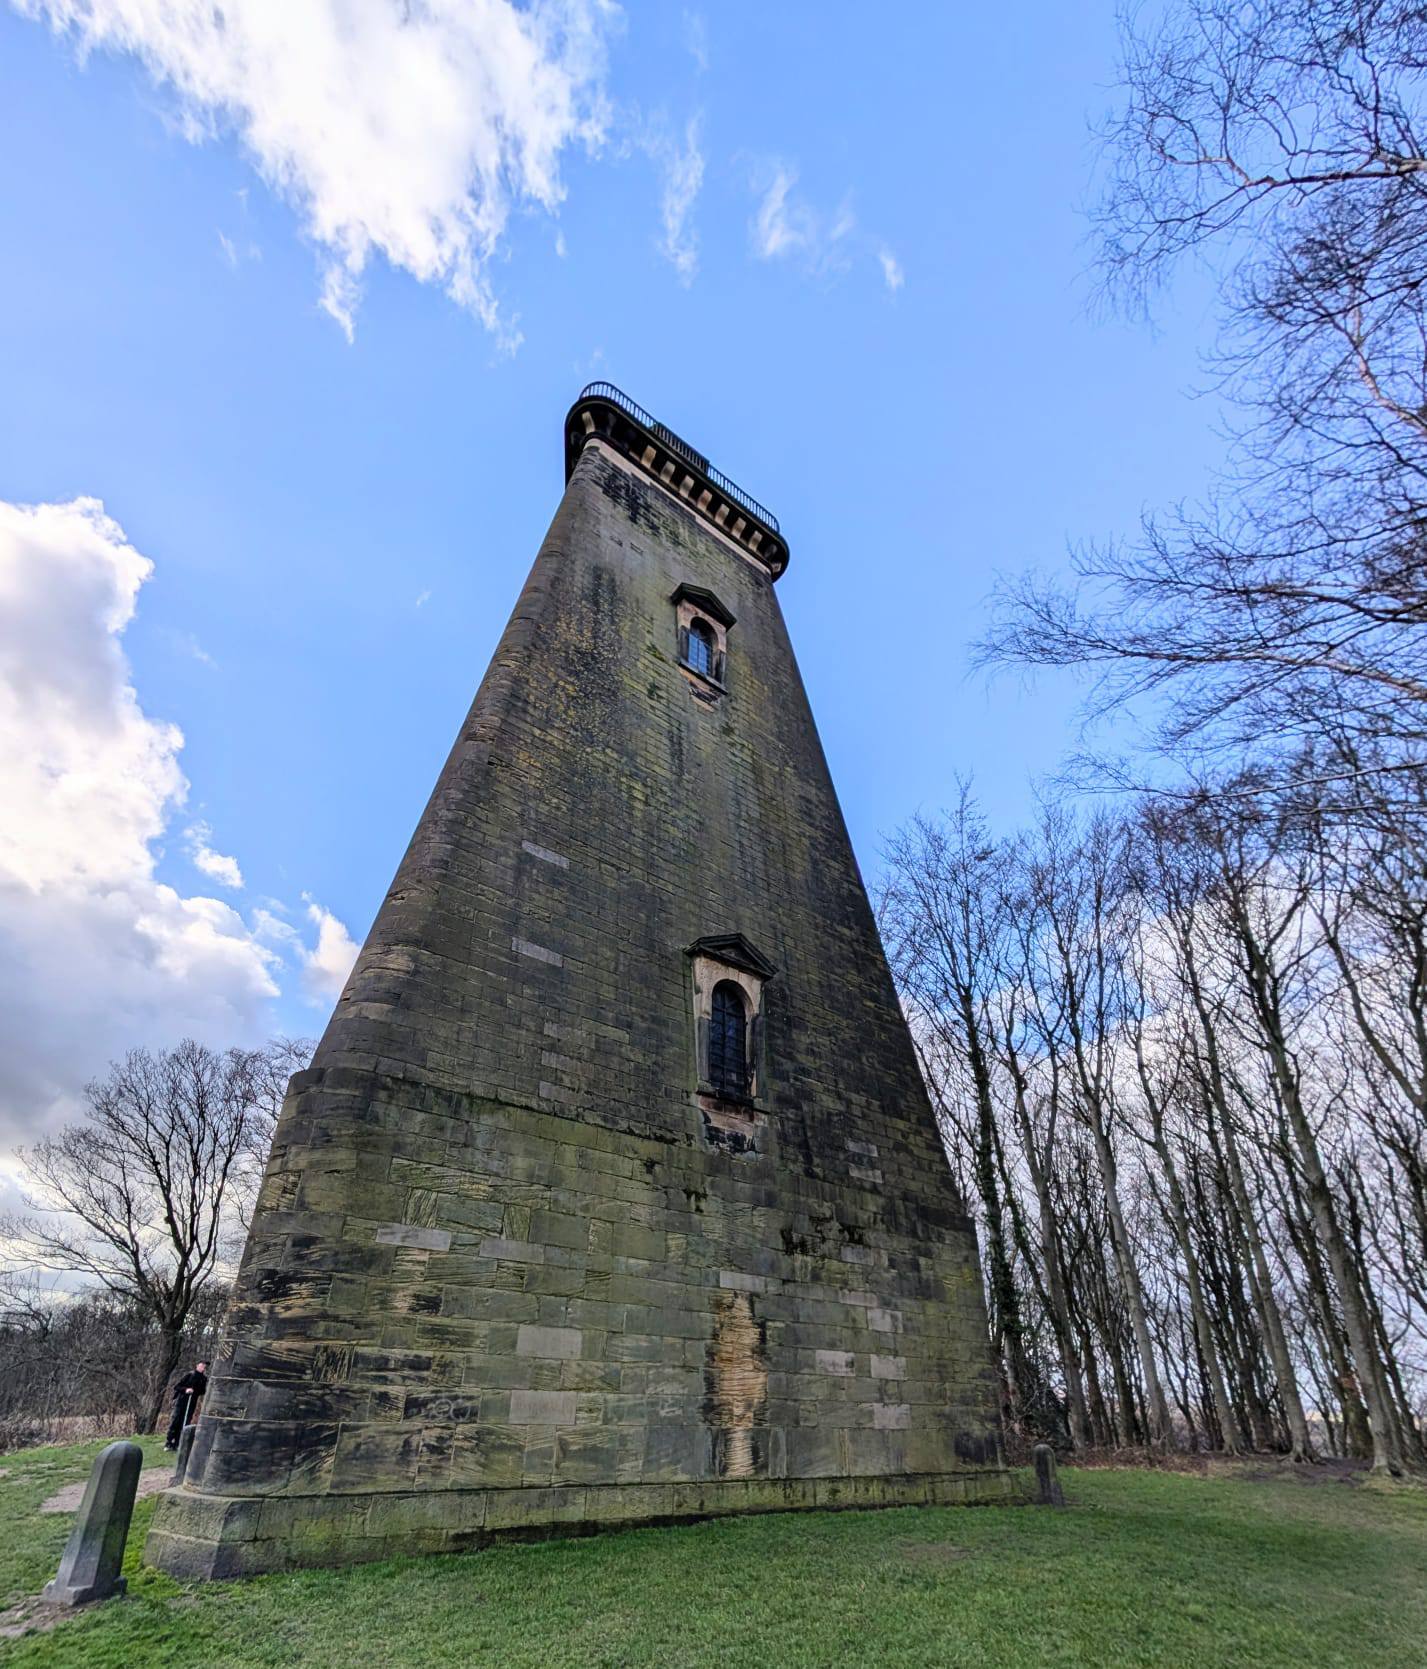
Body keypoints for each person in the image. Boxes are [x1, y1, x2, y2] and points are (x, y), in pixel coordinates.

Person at [164, 1360, 208, 1451]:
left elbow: (203, 1391)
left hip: (192, 1403)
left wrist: (196, 1391)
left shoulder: (203, 1379)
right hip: (181, 1402)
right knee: (176, 1421)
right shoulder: (190, 1375)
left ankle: (178, 1443)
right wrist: (186, 1390)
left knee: (185, 1422)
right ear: (197, 1366)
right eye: (202, 1365)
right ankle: (169, 1443)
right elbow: (177, 1387)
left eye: (204, 1366)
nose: (203, 1367)